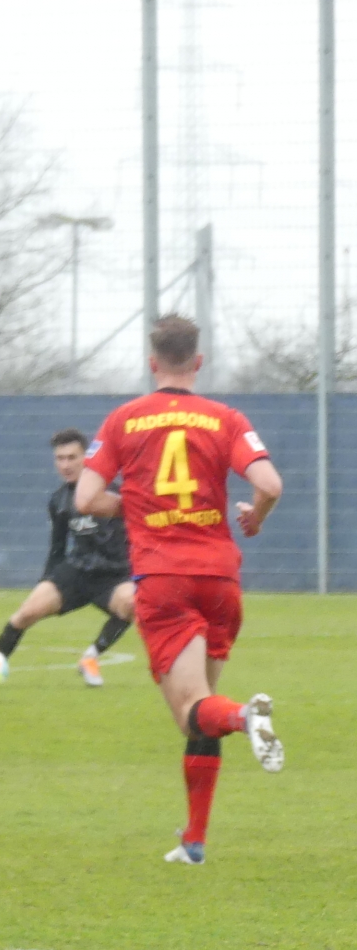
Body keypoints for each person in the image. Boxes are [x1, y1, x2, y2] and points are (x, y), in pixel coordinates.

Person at [76, 314, 283, 865]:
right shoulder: (225, 418)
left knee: (194, 710)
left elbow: (86, 498)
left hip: (165, 578)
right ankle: (194, 842)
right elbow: (269, 484)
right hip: (220, 579)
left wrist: (135, 506)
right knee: (202, 707)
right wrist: (256, 518)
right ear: (198, 361)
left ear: (152, 363)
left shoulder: (125, 419)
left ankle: (246, 717)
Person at [0, 428, 133, 686]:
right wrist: (46, 582)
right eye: (60, 458)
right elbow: (57, 547)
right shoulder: (59, 501)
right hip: (76, 572)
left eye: (72, 457)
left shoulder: (114, 495)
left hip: (114, 575)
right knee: (25, 614)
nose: (65, 465)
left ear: (86, 458)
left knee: (133, 603)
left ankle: (91, 657)